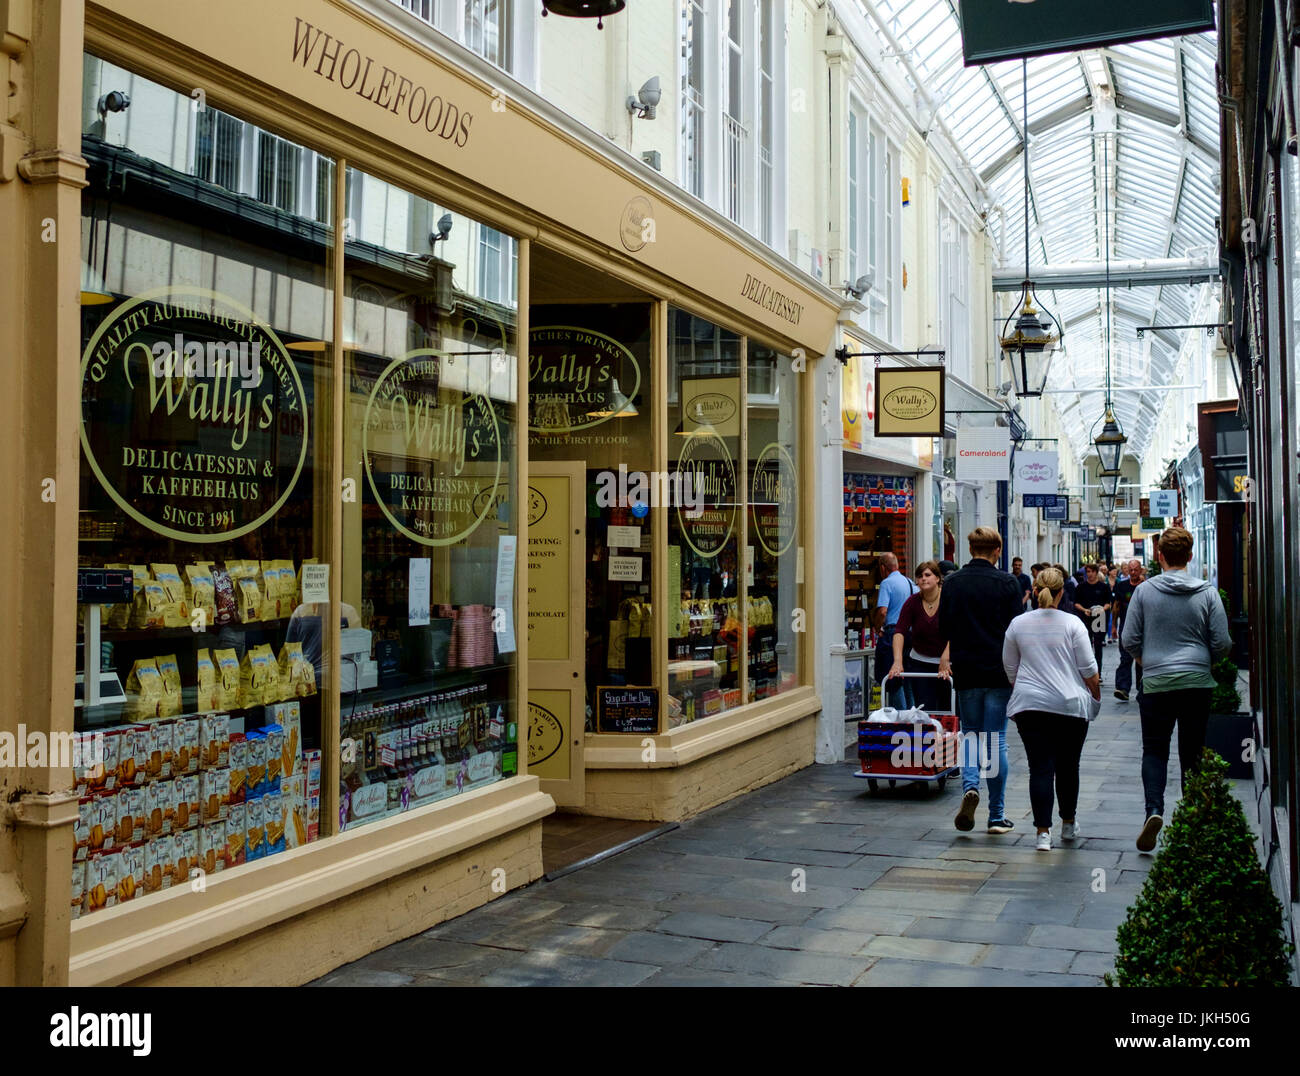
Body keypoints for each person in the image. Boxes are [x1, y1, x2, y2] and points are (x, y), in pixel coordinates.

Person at [1121, 527, 1231, 853]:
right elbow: (1222, 642)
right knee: (1192, 752)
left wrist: (1146, 660)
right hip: (1196, 683)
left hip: (1156, 683)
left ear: (1160, 556)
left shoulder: (1144, 592)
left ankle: (1154, 810)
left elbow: (1128, 639)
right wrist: (1205, 663)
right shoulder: (1207, 593)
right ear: (1191, 556)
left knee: (1154, 750)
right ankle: (1192, 822)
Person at [1002, 567, 1102, 851]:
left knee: (1040, 768)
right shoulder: (1072, 624)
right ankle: (1068, 824)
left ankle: (1042, 833)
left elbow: (1010, 667)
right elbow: (1089, 669)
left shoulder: (1018, 624)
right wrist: (1095, 698)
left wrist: (1024, 688)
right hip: (1069, 705)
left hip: (1030, 705)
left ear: (1035, 591)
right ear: (1062, 593)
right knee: (1068, 766)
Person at [937, 526, 1024, 835]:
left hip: (967, 670)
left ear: (970, 548)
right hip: (999, 671)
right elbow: (1017, 629)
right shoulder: (1008, 583)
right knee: (996, 739)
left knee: (971, 736)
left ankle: (970, 787)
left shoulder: (954, 583)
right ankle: (997, 815)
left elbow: (943, 627)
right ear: (997, 550)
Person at [886, 560, 953, 713]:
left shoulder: (948, 599)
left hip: (946, 662)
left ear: (937, 578)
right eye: (920, 576)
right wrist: (897, 661)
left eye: (927, 575)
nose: (923, 578)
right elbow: (899, 631)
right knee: (924, 708)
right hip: (920, 661)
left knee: (947, 709)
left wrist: (946, 657)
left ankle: (947, 737)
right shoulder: (913, 602)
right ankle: (927, 736)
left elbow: (958, 630)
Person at [873, 552, 917, 710]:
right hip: (910, 635)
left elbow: (883, 611)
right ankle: (912, 715)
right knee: (907, 680)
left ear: (883, 568)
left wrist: (877, 627)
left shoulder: (887, 583)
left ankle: (901, 717)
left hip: (892, 634)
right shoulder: (910, 583)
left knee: (892, 679)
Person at [1111, 558, 1145, 701]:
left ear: (1140, 570)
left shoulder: (1146, 586)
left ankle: (1141, 688)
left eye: (1135, 570)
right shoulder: (1122, 586)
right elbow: (1116, 606)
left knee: (1142, 660)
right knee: (1125, 658)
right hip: (1125, 627)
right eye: (1130, 570)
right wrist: (1113, 625)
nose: (1132, 572)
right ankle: (1123, 688)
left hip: (1143, 628)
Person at [1072, 562, 1112, 677]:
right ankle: (1087, 673)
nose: (1089, 574)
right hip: (1085, 617)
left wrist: (1102, 610)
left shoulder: (1103, 587)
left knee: (1098, 645)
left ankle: (1098, 672)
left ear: (1096, 572)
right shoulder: (1081, 587)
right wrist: (1084, 610)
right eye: (1087, 572)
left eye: (1091, 572)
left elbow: (1108, 603)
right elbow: (1076, 603)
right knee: (1086, 645)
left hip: (1099, 617)